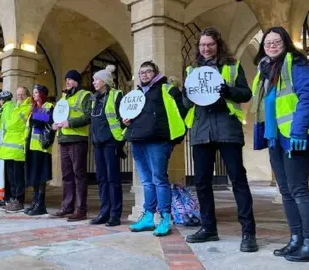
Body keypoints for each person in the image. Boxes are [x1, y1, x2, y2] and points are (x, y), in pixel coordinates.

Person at [252, 27, 309, 262]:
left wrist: (299, 131)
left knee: (299, 190)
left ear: (285, 43)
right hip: (275, 138)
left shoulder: (295, 64)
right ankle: (296, 240)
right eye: (267, 42)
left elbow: (307, 96)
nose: (271, 45)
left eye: (276, 41)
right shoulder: (264, 69)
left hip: (295, 137)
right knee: (285, 192)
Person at [182, 27, 257, 252]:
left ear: (218, 45)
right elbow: (187, 105)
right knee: (202, 182)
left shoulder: (232, 67)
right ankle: (208, 228)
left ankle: (248, 233)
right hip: (201, 132)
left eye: (210, 45)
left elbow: (245, 94)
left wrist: (228, 91)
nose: (206, 49)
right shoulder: (192, 70)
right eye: (202, 45)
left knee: (238, 180)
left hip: (227, 128)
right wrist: (186, 94)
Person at [125, 61, 187, 237]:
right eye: (141, 72)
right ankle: (149, 216)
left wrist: (174, 137)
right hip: (138, 140)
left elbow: (182, 111)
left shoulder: (167, 90)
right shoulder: (136, 94)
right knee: (146, 181)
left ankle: (165, 218)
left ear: (156, 73)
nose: (144, 75)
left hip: (158, 141)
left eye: (148, 71)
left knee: (159, 179)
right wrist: (127, 120)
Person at [51, 70, 92, 222]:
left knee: (79, 175)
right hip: (63, 139)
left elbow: (88, 116)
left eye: (71, 79)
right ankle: (67, 206)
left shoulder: (85, 95)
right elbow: (57, 116)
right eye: (66, 79)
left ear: (77, 81)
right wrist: (55, 125)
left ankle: (80, 209)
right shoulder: (63, 98)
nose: (67, 82)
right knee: (67, 175)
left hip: (77, 138)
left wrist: (71, 123)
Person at [89, 65, 125, 227]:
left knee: (113, 179)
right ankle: (104, 212)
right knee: (102, 179)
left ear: (105, 81)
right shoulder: (94, 98)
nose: (94, 82)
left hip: (111, 142)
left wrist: (120, 140)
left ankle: (115, 214)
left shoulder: (116, 95)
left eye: (96, 79)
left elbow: (124, 117)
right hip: (98, 143)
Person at [0, 87, 32, 212]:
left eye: (22, 94)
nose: (20, 96)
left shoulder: (29, 107)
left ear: (27, 95)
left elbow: (15, 124)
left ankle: (19, 200)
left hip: (18, 146)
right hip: (9, 147)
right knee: (11, 176)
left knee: (18, 176)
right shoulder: (16, 108)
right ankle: (12, 199)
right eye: (18, 94)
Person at [24, 84, 54, 216]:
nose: (34, 95)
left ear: (42, 94)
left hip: (42, 147)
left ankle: (41, 204)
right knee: (34, 176)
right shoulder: (34, 108)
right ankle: (35, 201)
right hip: (31, 146)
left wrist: (35, 114)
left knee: (41, 176)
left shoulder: (48, 106)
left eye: (36, 92)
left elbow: (48, 121)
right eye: (33, 93)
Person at [0, 91, 14, 207]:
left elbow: (7, 124)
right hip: (2, 143)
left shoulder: (8, 107)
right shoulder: (3, 109)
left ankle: (6, 197)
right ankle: (2, 197)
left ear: (2, 100)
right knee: (2, 172)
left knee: (6, 173)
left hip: (6, 142)